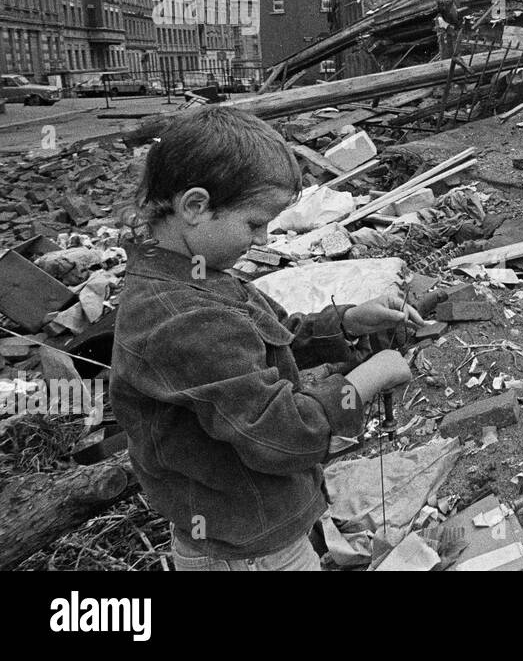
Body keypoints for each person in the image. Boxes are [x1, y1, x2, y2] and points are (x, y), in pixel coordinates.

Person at [111, 106, 421, 570]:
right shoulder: (182, 320)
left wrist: (349, 321)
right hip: (248, 552)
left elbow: (275, 336)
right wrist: (362, 384)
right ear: (195, 206)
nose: (264, 238)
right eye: (255, 223)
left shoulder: (201, 274)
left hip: (252, 527)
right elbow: (283, 437)